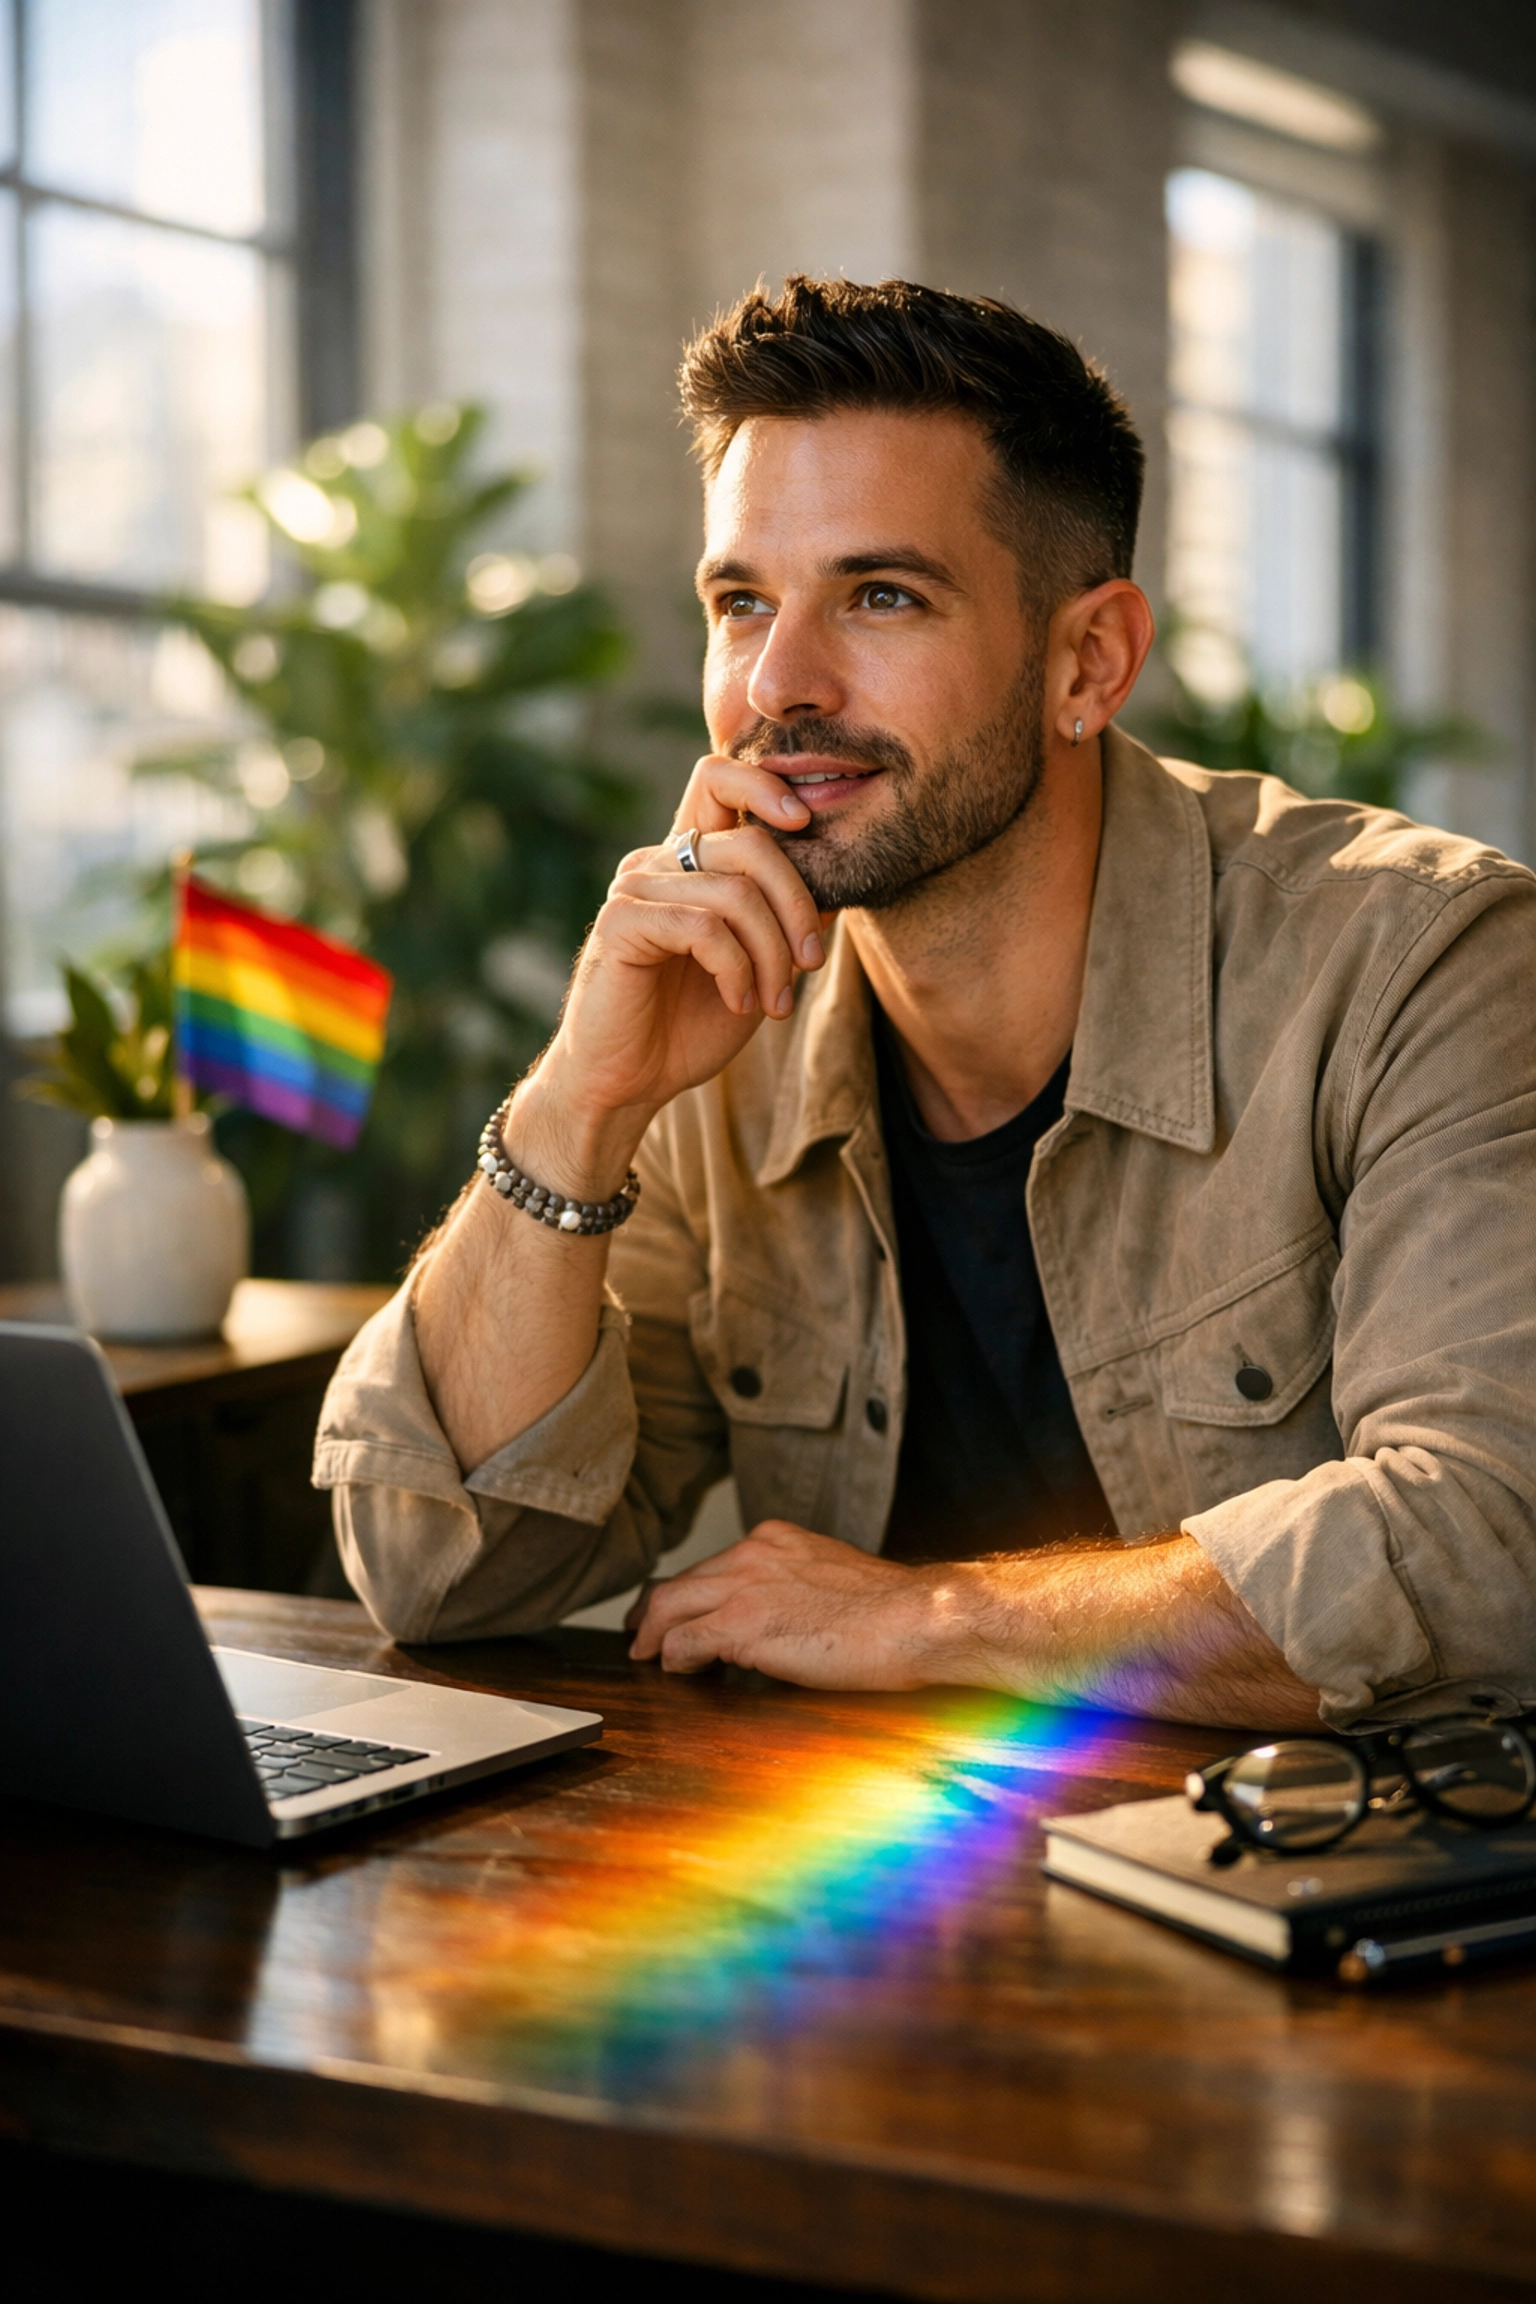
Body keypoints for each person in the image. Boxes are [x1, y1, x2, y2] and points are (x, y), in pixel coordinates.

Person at [315, 276, 1536, 1731]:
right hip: (856, 1891)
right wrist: (582, 1098)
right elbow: (441, 1571)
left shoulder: (1423, 961)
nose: (780, 682)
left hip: (1329, 1894)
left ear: (1089, 661)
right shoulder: (716, 1024)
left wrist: (936, 1614)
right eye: (741, 603)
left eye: (880, 595)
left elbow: (1488, 1547)